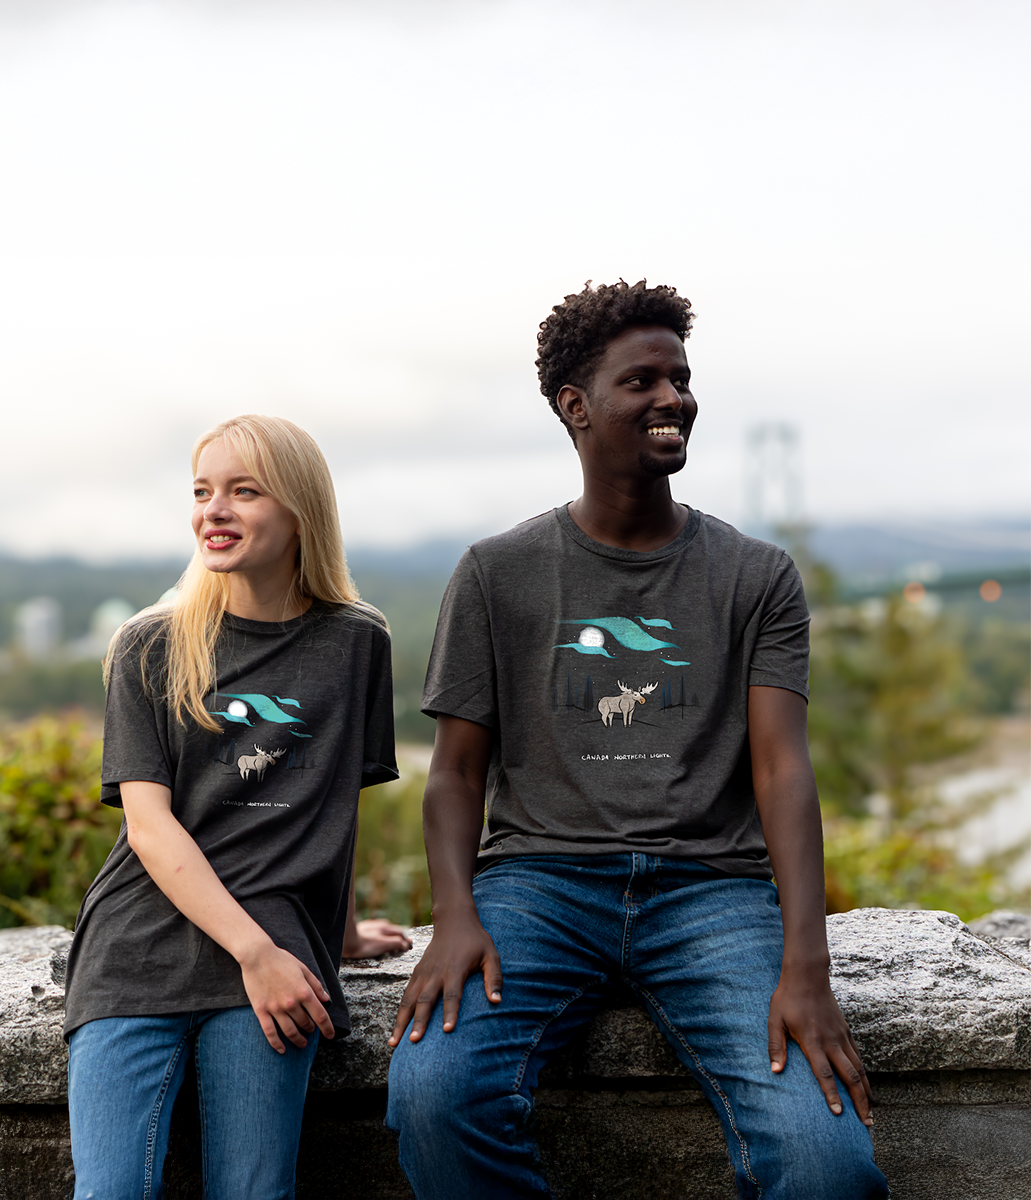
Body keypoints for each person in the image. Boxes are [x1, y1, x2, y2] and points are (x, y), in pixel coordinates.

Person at [385, 281, 889, 1199]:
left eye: (681, 378)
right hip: (539, 885)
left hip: (713, 890)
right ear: (575, 406)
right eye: (642, 381)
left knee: (827, 1163)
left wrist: (806, 964)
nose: (673, 398)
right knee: (433, 1096)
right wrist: (455, 916)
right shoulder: (496, 574)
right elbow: (454, 773)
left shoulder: (757, 575)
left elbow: (782, 769)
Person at [64, 413, 409, 1200]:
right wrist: (257, 953)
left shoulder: (358, 643)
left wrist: (337, 932)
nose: (213, 511)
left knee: (255, 1192)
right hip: (138, 952)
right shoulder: (149, 643)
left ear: (300, 510)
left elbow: (330, 808)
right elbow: (149, 828)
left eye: (244, 491)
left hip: (278, 952)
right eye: (202, 492)